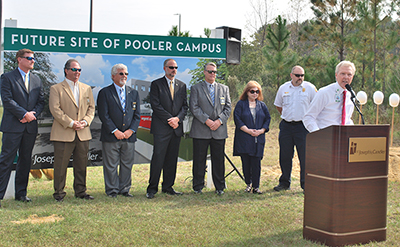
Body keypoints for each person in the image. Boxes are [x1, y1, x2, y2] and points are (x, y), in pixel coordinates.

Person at [0, 49, 44, 207]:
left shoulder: (37, 80)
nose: (32, 61)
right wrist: (23, 114)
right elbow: (7, 100)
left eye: (33, 58)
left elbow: (41, 101)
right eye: (29, 58)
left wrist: (32, 115)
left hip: (30, 128)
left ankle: (21, 194)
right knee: (6, 161)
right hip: (13, 127)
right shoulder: (7, 77)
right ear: (19, 59)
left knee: (25, 161)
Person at [49, 59, 95, 202]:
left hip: (82, 133)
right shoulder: (56, 89)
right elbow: (55, 110)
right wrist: (70, 123)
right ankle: (59, 193)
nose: (77, 73)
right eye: (74, 70)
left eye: (79, 70)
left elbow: (91, 108)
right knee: (60, 166)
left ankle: (81, 192)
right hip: (63, 133)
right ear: (66, 70)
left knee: (81, 165)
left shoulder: (86, 88)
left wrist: (85, 122)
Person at [146, 59, 188, 199]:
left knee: (172, 159)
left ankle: (168, 187)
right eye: (171, 67)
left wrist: (177, 119)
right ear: (165, 68)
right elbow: (155, 105)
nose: (174, 70)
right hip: (161, 128)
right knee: (158, 158)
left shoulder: (182, 85)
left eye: (176, 67)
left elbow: (184, 107)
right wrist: (170, 119)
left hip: (176, 128)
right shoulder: (156, 84)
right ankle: (152, 189)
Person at [97, 64, 141, 198]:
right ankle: (112, 190)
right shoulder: (105, 92)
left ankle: (125, 189)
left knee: (127, 164)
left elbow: (137, 115)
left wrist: (131, 130)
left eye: (126, 73)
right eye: (121, 73)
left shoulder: (133, 93)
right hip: (111, 136)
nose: (124, 76)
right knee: (110, 165)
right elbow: (103, 115)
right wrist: (115, 131)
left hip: (129, 136)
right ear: (113, 76)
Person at [189, 62, 231, 195]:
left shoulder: (224, 88)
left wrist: (219, 121)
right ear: (204, 72)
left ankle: (219, 187)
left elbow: (228, 108)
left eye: (215, 72)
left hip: (218, 130)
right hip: (201, 130)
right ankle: (198, 186)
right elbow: (194, 107)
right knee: (199, 159)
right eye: (210, 71)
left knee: (218, 160)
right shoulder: (196, 88)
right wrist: (207, 121)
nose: (213, 74)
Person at [273, 66, 317, 192]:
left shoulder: (310, 88)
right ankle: (284, 182)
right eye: (297, 75)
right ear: (291, 75)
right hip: (286, 126)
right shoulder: (283, 88)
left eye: (302, 75)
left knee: (304, 157)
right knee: (285, 156)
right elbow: (279, 106)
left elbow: (316, 106)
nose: (300, 78)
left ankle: (305, 184)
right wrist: (288, 116)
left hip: (302, 127)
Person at [233, 81, 270, 194]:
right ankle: (248, 184)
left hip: (258, 138)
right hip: (244, 137)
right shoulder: (241, 104)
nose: (255, 94)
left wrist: (262, 130)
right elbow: (237, 119)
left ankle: (256, 186)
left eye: (257, 91)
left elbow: (267, 119)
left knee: (256, 163)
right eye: (252, 91)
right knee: (246, 162)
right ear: (247, 92)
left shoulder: (262, 105)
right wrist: (248, 130)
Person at [302, 61, 356, 133]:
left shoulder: (351, 95)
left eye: (349, 74)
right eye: (343, 74)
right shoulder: (324, 93)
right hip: (325, 138)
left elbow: (347, 119)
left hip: (343, 138)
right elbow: (308, 117)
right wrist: (318, 134)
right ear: (336, 75)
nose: (346, 77)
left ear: (352, 77)